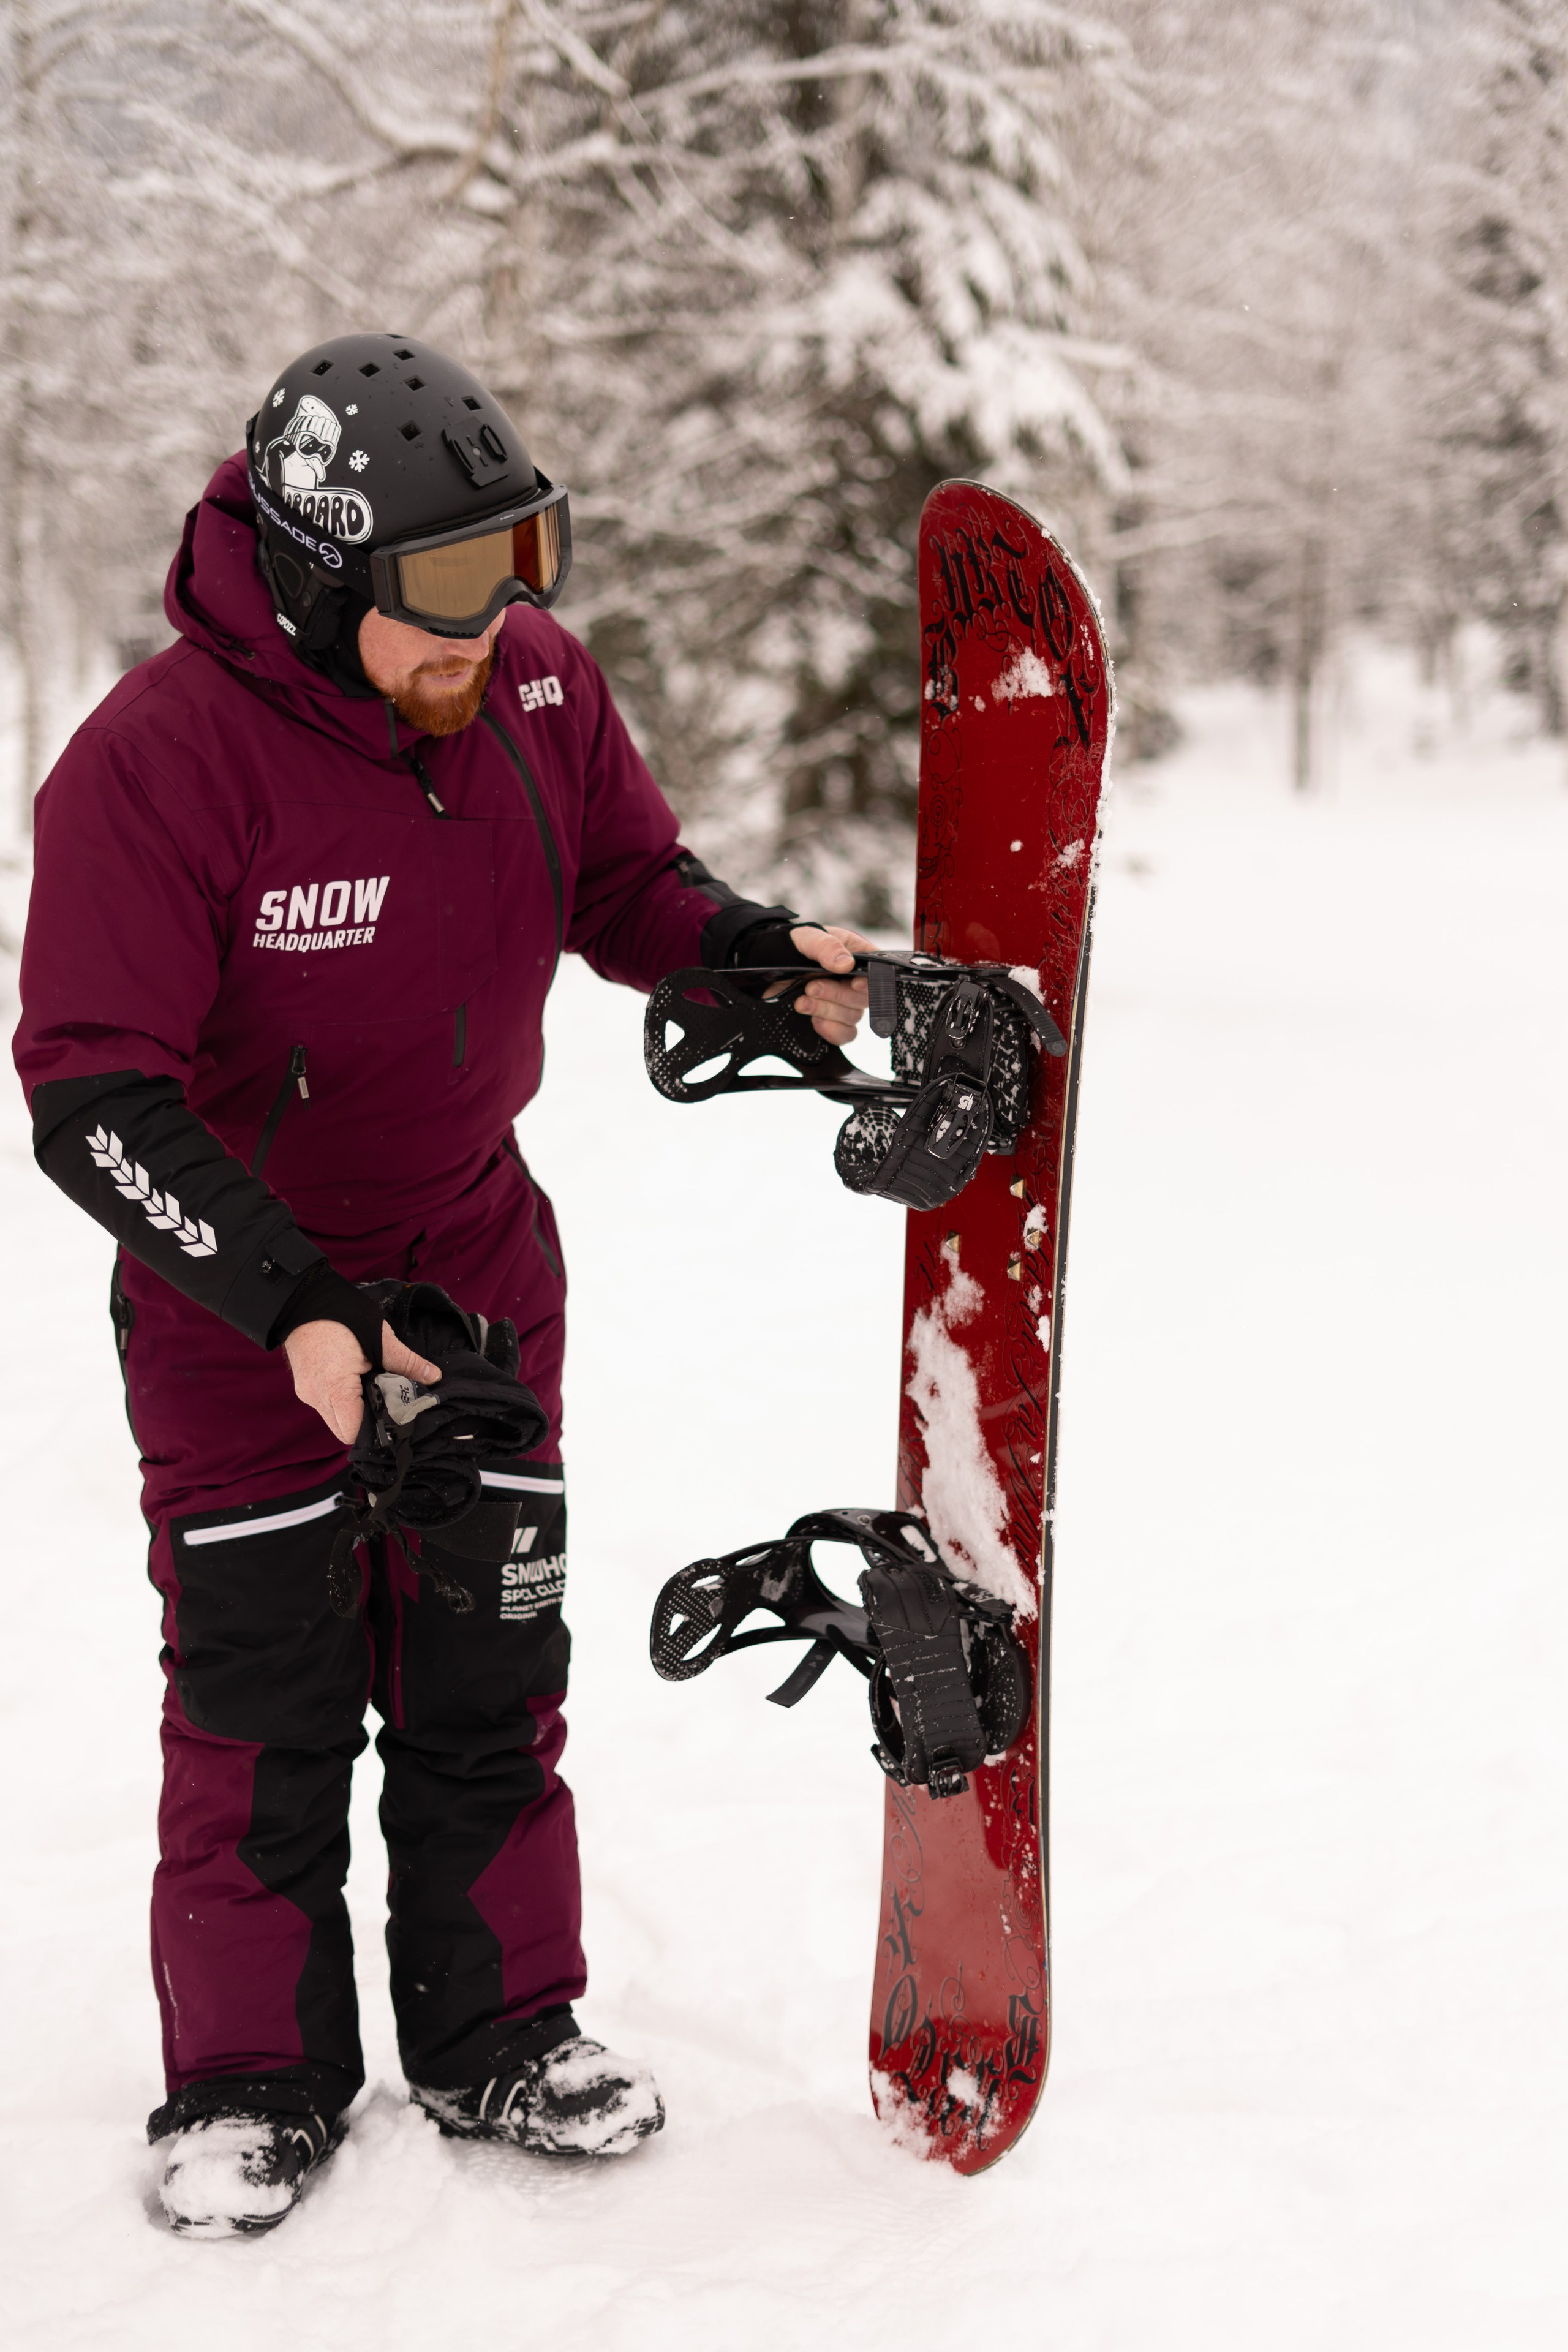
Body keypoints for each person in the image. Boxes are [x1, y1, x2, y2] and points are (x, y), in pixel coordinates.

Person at [12, 332, 869, 2237]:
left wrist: (756, 956)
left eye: (525, 556)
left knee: (490, 1677)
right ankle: (251, 2075)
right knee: (266, 1698)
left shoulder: (532, 692)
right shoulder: (156, 766)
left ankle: (501, 2032)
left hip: (478, 1272)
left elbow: (629, 890)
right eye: (452, 586)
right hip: (251, 1313)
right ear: (322, 581)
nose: (503, 621)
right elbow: (90, 1091)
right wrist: (295, 1305)